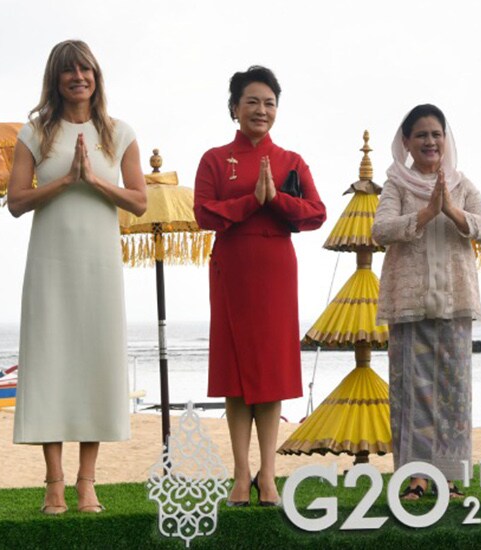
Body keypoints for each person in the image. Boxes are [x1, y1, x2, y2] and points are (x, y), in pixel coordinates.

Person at [6, 40, 147, 514]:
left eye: (85, 69)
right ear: (56, 79)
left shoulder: (119, 133)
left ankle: (87, 482)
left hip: (99, 266)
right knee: (51, 363)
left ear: (96, 75)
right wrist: (65, 180)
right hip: (50, 264)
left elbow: (139, 201)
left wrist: (93, 180)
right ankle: (54, 481)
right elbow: (16, 201)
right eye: (69, 70)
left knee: (93, 363)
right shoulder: (35, 132)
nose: (78, 77)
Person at [194, 65, 326, 507]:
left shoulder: (291, 161)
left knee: (271, 373)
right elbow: (204, 214)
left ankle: (268, 474)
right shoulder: (215, 159)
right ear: (234, 107)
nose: (261, 110)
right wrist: (251, 202)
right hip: (231, 268)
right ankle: (240, 471)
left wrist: (277, 200)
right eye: (252, 101)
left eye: (269, 103)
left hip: (275, 271)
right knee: (235, 374)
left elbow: (315, 213)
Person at [372, 104, 481, 500]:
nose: (430, 141)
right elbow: (380, 230)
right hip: (409, 306)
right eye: (422, 135)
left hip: (455, 303)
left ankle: (447, 477)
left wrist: (452, 211)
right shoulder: (396, 184)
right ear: (407, 142)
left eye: (436, 134)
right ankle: (416, 479)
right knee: (412, 393)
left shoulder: (461, 184)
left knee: (453, 393)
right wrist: (427, 213)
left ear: (446, 139)